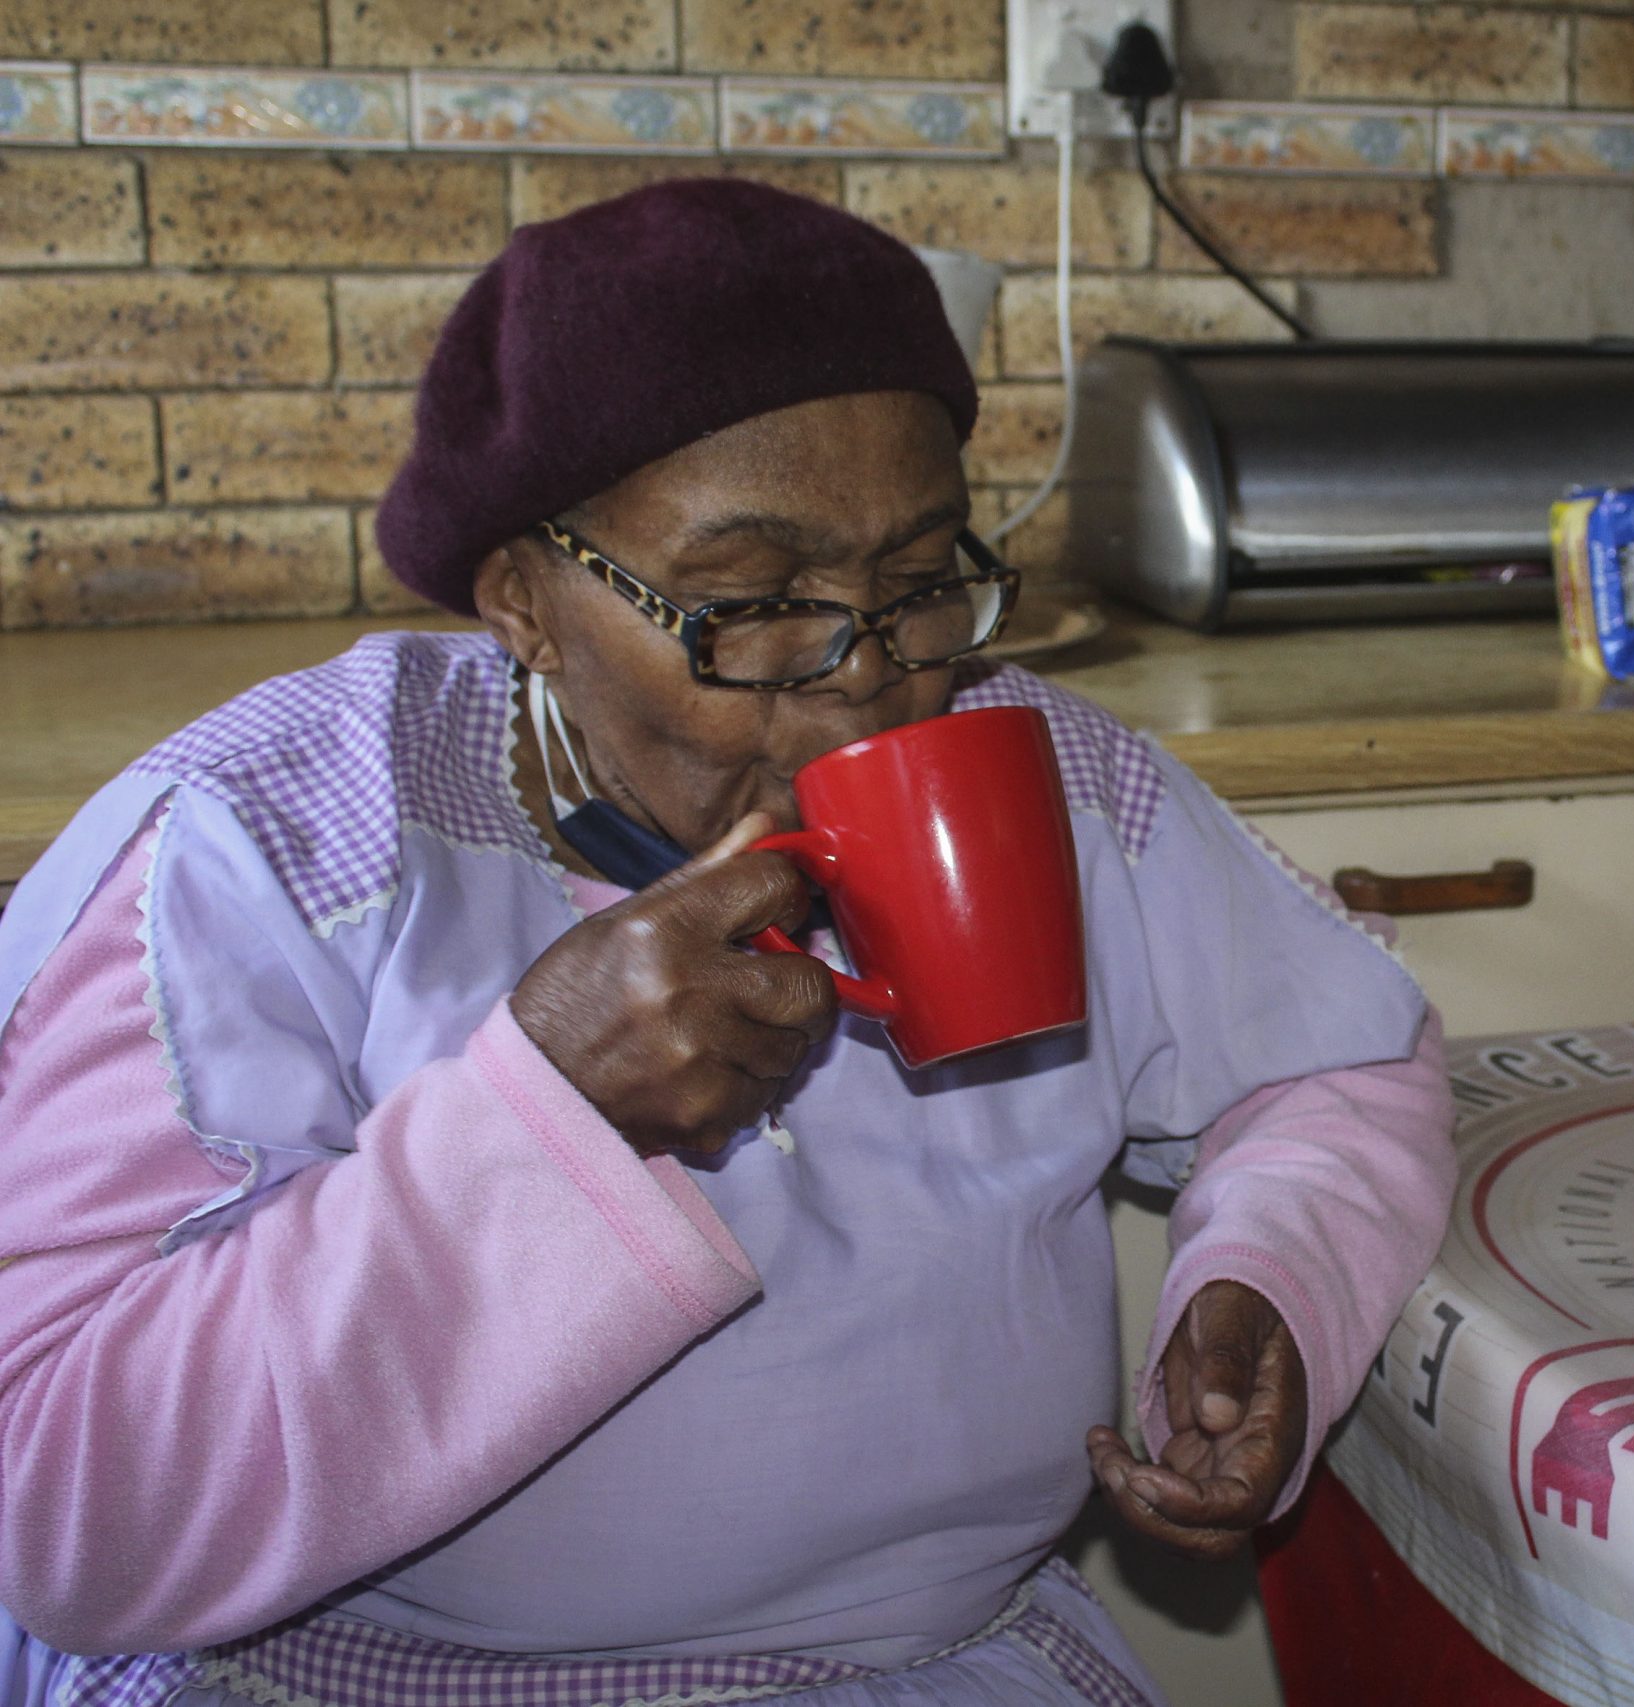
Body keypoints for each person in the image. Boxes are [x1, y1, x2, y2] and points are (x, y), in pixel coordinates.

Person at [0, 180, 1456, 1707]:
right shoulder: (276, 840)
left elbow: (1341, 1067)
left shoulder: (1049, 782)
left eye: (918, 583)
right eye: (752, 605)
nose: (862, 689)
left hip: (938, 1667)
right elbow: (63, 1509)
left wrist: (1265, 1278)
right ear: (526, 600)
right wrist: (543, 1117)